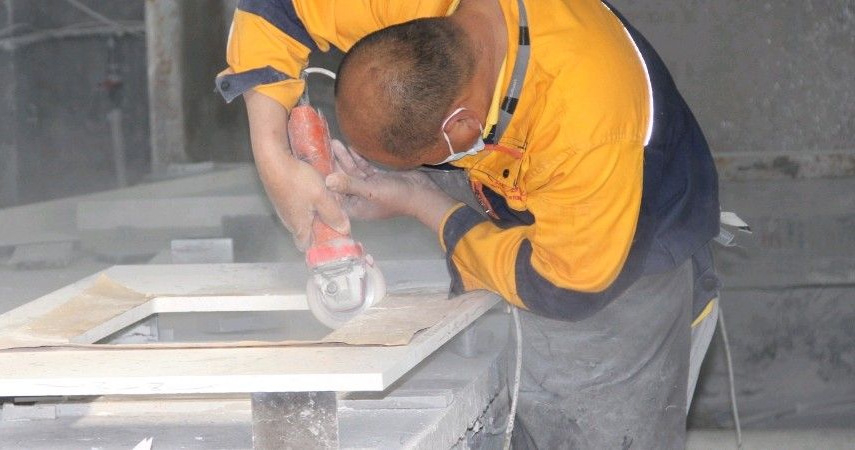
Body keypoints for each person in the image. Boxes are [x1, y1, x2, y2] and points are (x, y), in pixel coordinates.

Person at [217, 0, 722, 447]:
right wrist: (273, 157)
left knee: (591, 429)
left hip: (621, 255)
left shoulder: (587, 126)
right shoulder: (416, 9)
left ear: (461, 125)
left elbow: (565, 286)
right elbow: (276, 8)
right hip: (524, 173)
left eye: (422, 157)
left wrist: (426, 204)